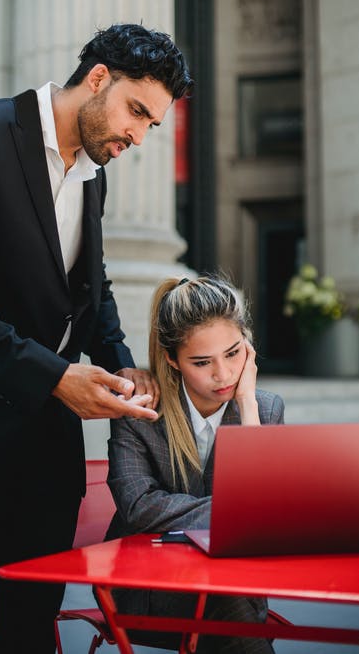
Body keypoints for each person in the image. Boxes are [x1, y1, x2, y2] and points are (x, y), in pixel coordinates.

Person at [0, 24, 193, 654]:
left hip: (43, 443)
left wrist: (124, 365)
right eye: (136, 111)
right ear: (97, 78)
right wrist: (53, 375)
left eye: (151, 125)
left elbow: (87, 283)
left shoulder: (94, 174)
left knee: (29, 630)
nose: (137, 134)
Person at [102, 275, 285, 653]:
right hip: (148, 590)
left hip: (233, 585)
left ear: (248, 345)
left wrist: (248, 406)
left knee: (228, 603)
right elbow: (140, 507)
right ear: (172, 359)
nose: (223, 374)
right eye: (202, 362)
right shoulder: (138, 411)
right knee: (229, 609)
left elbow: (267, 515)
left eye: (234, 353)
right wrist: (242, 514)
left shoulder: (264, 408)